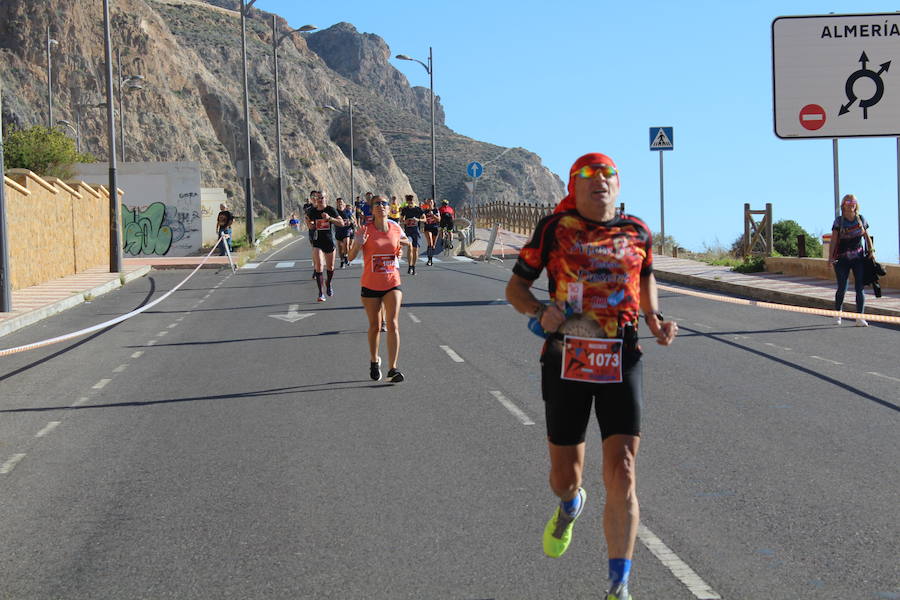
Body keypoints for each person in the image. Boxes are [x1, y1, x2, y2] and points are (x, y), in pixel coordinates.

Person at [505, 152, 678, 600]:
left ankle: (619, 586)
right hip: (567, 358)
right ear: (573, 186)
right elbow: (515, 288)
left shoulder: (637, 231)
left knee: (622, 468)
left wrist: (654, 317)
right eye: (588, 174)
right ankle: (568, 504)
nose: (599, 180)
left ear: (618, 185)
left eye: (607, 174)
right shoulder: (553, 229)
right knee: (566, 475)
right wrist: (540, 311)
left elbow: (646, 280)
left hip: (622, 355)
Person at [348, 195, 411, 383]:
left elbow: (407, 241)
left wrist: (401, 247)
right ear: (372, 208)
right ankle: (374, 360)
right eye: (377, 204)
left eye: (384, 203)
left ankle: (393, 368)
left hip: (392, 282)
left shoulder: (395, 227)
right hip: (370, 284)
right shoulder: (364, 230)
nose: (382, 206)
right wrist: (358, 244)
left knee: (392, 323)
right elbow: (350, 257)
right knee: (375, 326)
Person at [829, 194, 875, 326]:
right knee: (842, 287)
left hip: (858, 258)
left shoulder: (861, 219)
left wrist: (871, 251)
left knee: (860, 287)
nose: (851, 204)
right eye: (848, 201)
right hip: (842, 259)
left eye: (853, 201)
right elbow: (833, 240)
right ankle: (838, 313)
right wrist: (830, 257)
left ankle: (859, 317)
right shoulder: (839, 221)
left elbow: (867, 237)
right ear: (843, 205)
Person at [305, 192, 342, 302]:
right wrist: (308, 222)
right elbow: (311, 227)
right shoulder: (312, 211)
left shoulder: (330, 209)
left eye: (322, 198)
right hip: (317, 241)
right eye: (318, 198)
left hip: (329, 242)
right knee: (319, 265)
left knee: (330, 267)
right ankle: (321, 293)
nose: (320, 200)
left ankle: (328, 283)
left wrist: (329, 218)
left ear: (326, 198)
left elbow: (341, 223)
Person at [400, 194, 425, 275]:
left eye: (411, 201)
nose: (410, 202)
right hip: (408, 231)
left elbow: (424, 219)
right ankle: (409, 266)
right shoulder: (405, 209)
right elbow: (401, 220)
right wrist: (405, 221)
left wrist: (417, 219)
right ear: (407, 202)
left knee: (415, 249)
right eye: (409, 201)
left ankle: (413, 267)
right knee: (410, 247)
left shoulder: (418, 209)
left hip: (416, 231)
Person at [334, 197, 357, 269]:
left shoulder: (347, 211)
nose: (340, 203)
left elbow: (353, 219)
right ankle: (342, 261)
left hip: (346, 230)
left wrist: (351, 222)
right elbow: (331, 220)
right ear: (336, 203)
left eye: (341, 202)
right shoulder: (334, 212)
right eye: (338, 202)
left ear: (343, 203)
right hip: (338, 230)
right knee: (340, 248)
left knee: (346, 244)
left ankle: (346, 256)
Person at [422, 198, 440, 266]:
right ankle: (429, 260)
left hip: (435, 228)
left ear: (433, 203)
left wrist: (432, 215)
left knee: (433, 246)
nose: (430, 203)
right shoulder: (425, 211)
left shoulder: (436, 210)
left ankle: (431, 259)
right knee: (430, 243)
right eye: (428, 202)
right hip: (427, 228)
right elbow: (423, 218)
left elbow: (439, 220)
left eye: (431, 202)